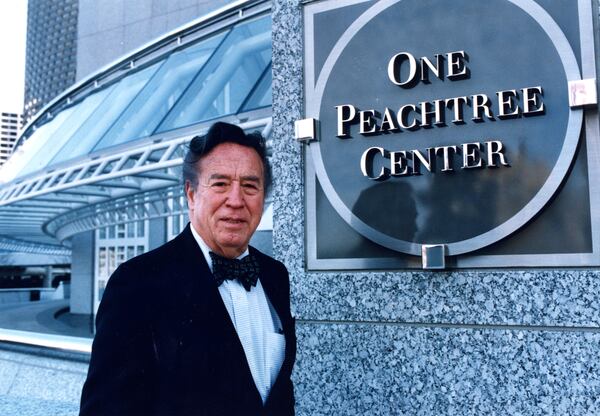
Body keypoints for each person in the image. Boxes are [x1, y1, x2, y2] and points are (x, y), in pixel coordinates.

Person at [80, 122, 296, 416]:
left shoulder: (275, 275)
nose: (236, 200)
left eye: (249, 185)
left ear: (263, 197)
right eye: (220, 184)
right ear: (191, 194)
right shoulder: (137, 283)